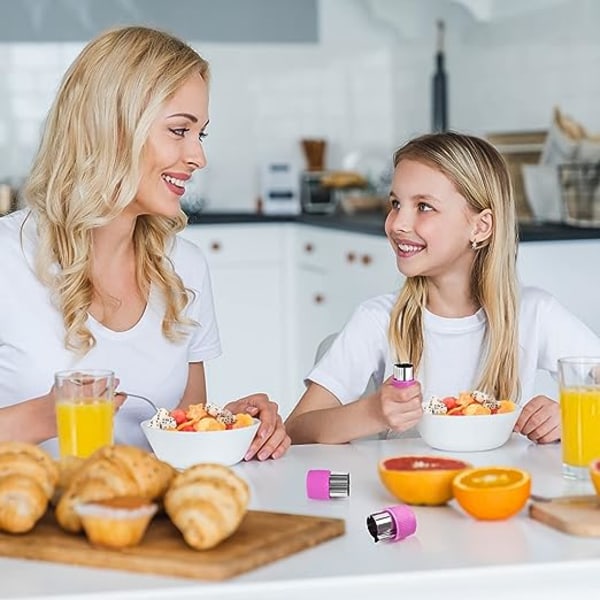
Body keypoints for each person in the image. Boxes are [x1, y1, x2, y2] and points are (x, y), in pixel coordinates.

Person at [0, 26, 290, 460]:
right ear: (112, 128)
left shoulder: (183, 268)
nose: (198, 157)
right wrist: (49, 415)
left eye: (201, 134)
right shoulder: (8, 258)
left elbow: (180, 429)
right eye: (179, 130)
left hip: (142, 519)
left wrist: (228, 426)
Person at [285, 131, 600, 445]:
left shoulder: (534, 314)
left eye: (423, 206)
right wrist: (372, 412)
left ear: (481, 227)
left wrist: (574, 416)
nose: (396, 224)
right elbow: (296, 430)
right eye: (395, 203)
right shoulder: (378, 320)